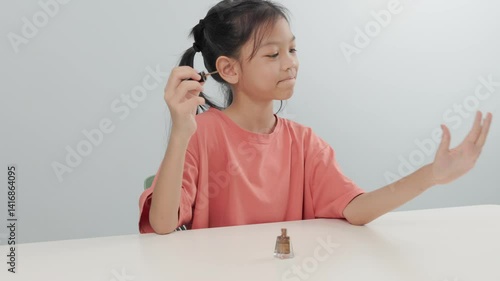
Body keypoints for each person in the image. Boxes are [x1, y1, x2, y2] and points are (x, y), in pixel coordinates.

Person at [138, 0, 493, 234]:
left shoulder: (304, 143)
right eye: (273, 54)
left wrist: (432, 175)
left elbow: (354, 209)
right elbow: (164, 224)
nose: (290, 62)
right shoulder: (200, 135)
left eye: (292, 49)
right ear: (229, 69)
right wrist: (180, 132)